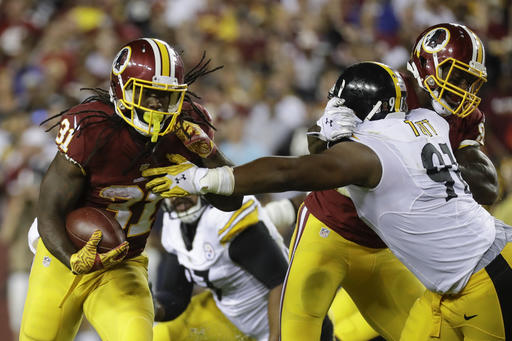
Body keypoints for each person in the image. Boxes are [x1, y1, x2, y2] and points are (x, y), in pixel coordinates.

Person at [142, 61, 512, 341]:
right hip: (433, 264)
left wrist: (205, 177)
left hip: (459, 268)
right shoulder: (426, 121)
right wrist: (329, 134)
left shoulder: (373, 150)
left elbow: (295, 171)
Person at [19, 38, 242, 341]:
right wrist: (72, 258)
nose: (158, 105)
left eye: (167, 97)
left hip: (125, 261)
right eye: (148, 94)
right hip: (66, 254)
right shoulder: (93, 128)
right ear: (121, 88)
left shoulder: (187, 127)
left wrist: (209, 154)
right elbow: (48, 211)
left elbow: (231, 201)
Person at [152, 194, 289, 341]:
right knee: (162, 335)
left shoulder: (226, 219)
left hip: (278, 319)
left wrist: (275, 337)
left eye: (184, 189)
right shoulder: (174, 227)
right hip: (230, 316)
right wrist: (153, 307)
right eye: (171, 192)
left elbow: (280, 281)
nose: (178, 197)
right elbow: (175, 296)